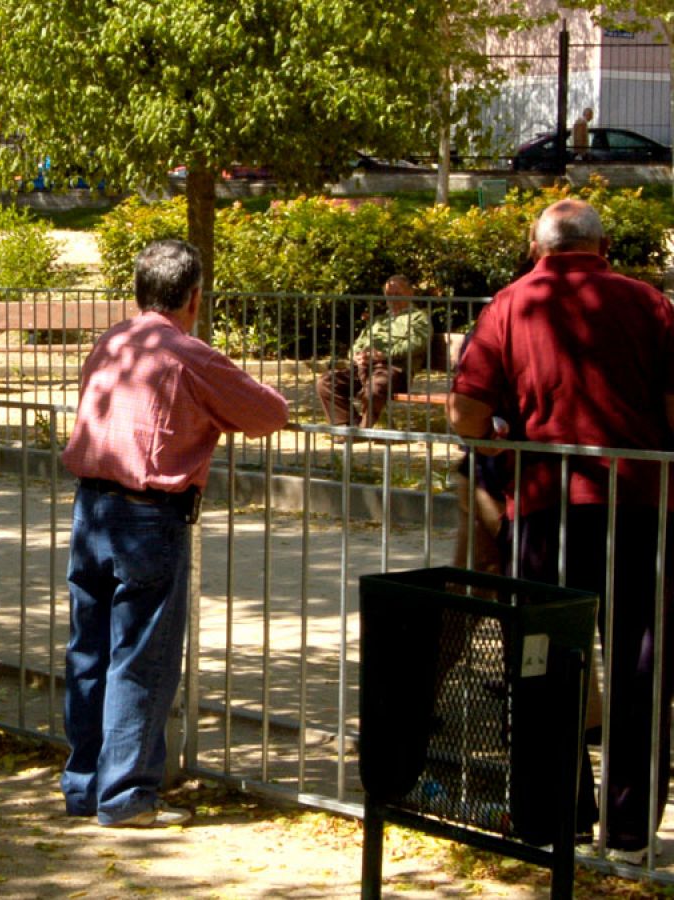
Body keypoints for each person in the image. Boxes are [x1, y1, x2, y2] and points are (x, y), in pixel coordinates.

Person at [450, 198, 674, 865]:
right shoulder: (651, 304)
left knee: (544, 662)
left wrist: (496, 435)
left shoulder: (509, 305)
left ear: (539, 247)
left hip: (545, 510)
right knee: (641, 669)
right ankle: (631, 835)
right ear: (603, 247)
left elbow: (465, 413)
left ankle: (555, 818)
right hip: (641, 505)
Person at [61, 239, 288, 828]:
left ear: (140, 291)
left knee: (90, 650)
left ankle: (84, 785)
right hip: (147, 515)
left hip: (91, 507)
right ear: (194, 296)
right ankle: (126, 796)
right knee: (141, 655)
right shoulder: (188, 354)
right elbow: (268, 413)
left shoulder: (112, 341)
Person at [314, 275, 430, 428]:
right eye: (389, 295)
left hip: (393, 370)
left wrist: (385, 355)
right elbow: (358, 343)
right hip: (364, 368)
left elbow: (417, 344)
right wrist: (357, 356)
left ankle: (364, 429)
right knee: (326, 381)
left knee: (374, 388)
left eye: (397, 294)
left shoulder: (418, 318)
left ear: (410, 293)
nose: (393, 299)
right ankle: (346, 425)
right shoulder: (379, 320)